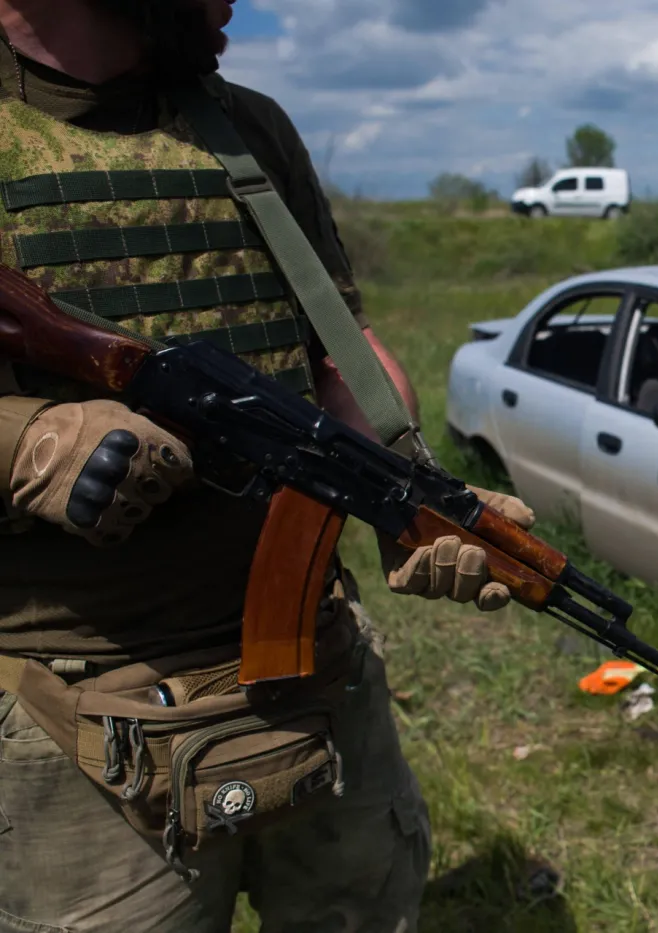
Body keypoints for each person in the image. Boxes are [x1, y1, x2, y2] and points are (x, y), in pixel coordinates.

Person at [0, 2, 534, 930]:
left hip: (314, 678)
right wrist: (23, 441)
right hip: (79, 719)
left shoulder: (247, 129)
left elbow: (342, 357)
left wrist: (408, 494)